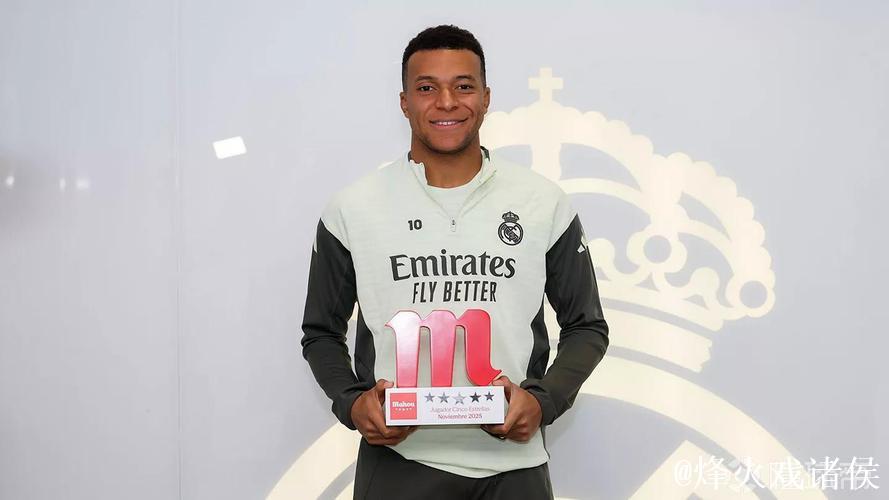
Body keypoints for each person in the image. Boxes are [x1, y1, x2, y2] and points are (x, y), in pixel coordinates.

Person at [301, 24, 609, 499]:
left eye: (463, 86)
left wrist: (543, 402)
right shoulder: (353, 209)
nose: (446, 102)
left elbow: (587, 327)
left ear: (485, 98)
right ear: (404, 102)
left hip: (515, 467)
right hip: (398, 464)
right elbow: (321, 332)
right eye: (427, 88)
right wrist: (352, 403)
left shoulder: (542, 202)